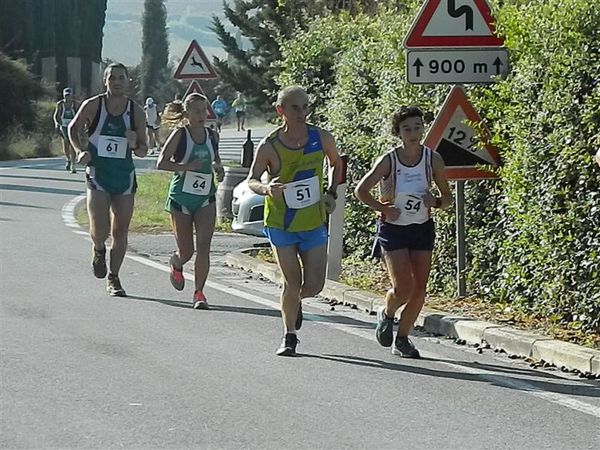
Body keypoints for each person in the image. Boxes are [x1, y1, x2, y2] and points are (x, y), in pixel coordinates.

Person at [247, 86, 342, 356]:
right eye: (295, 108)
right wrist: (267, 189)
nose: (302, 113)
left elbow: (336, 163)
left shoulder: (321, 137)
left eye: (305, 107)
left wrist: (331, 192)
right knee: (291, 281)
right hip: (281, 223)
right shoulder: (270, 145)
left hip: (313, 221)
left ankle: (294, 302)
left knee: (314, 285)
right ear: (281, 111)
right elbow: (252, 179)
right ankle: (289, 336)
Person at [354, 106, 452, 358]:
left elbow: (447, 198)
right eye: (407, 129)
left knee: (420, 288)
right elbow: (361, 191)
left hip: (421, 228)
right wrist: (383, 209)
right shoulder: (389, 160)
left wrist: (436, 202)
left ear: (423, 128)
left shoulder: (433, 159)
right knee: (403, 288)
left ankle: (403, 338)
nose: (413, 133)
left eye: (417, 127)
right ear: (398, 132)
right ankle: (387, 313)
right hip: (393, 230)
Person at [67, 62, 148, 297]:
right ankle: (99, 249)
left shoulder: (136, 111)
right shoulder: (93, 105)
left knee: (121, 230)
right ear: (105, 81)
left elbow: (144, 149)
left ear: (128, 81)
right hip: (98, 175)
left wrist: (135, 143)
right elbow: (72, 128)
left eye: (121, 78)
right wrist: (80, 150)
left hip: (124, 177)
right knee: (100, 229)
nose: (117, 82)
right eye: (112, 78)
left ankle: (114, 277)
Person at [157, 93, 225, 309]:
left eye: (204, 110)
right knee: (187, 251)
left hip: (205, 198)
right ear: (186, 114)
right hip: (181, 199)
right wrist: (186, 166)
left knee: (204, 246)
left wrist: (219, 168)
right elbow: (161, 163)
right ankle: (176, 262)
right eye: (196, 111)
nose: (201, 115)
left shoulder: (212, 136)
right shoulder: (180, 134)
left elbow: (216, 159)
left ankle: (199, 293)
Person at [53, 87, 79, 173]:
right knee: (66, 143)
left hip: (73, 126)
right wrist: (57, 123)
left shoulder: (75, 104)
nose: (67, 97)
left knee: (73, 144)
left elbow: (80, 115)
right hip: (63, 126)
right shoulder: (60, 104)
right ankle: (68, 159)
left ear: (72, 96)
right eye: (66, 96)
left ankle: (73, 165)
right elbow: (56, 115)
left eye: (69, 96)